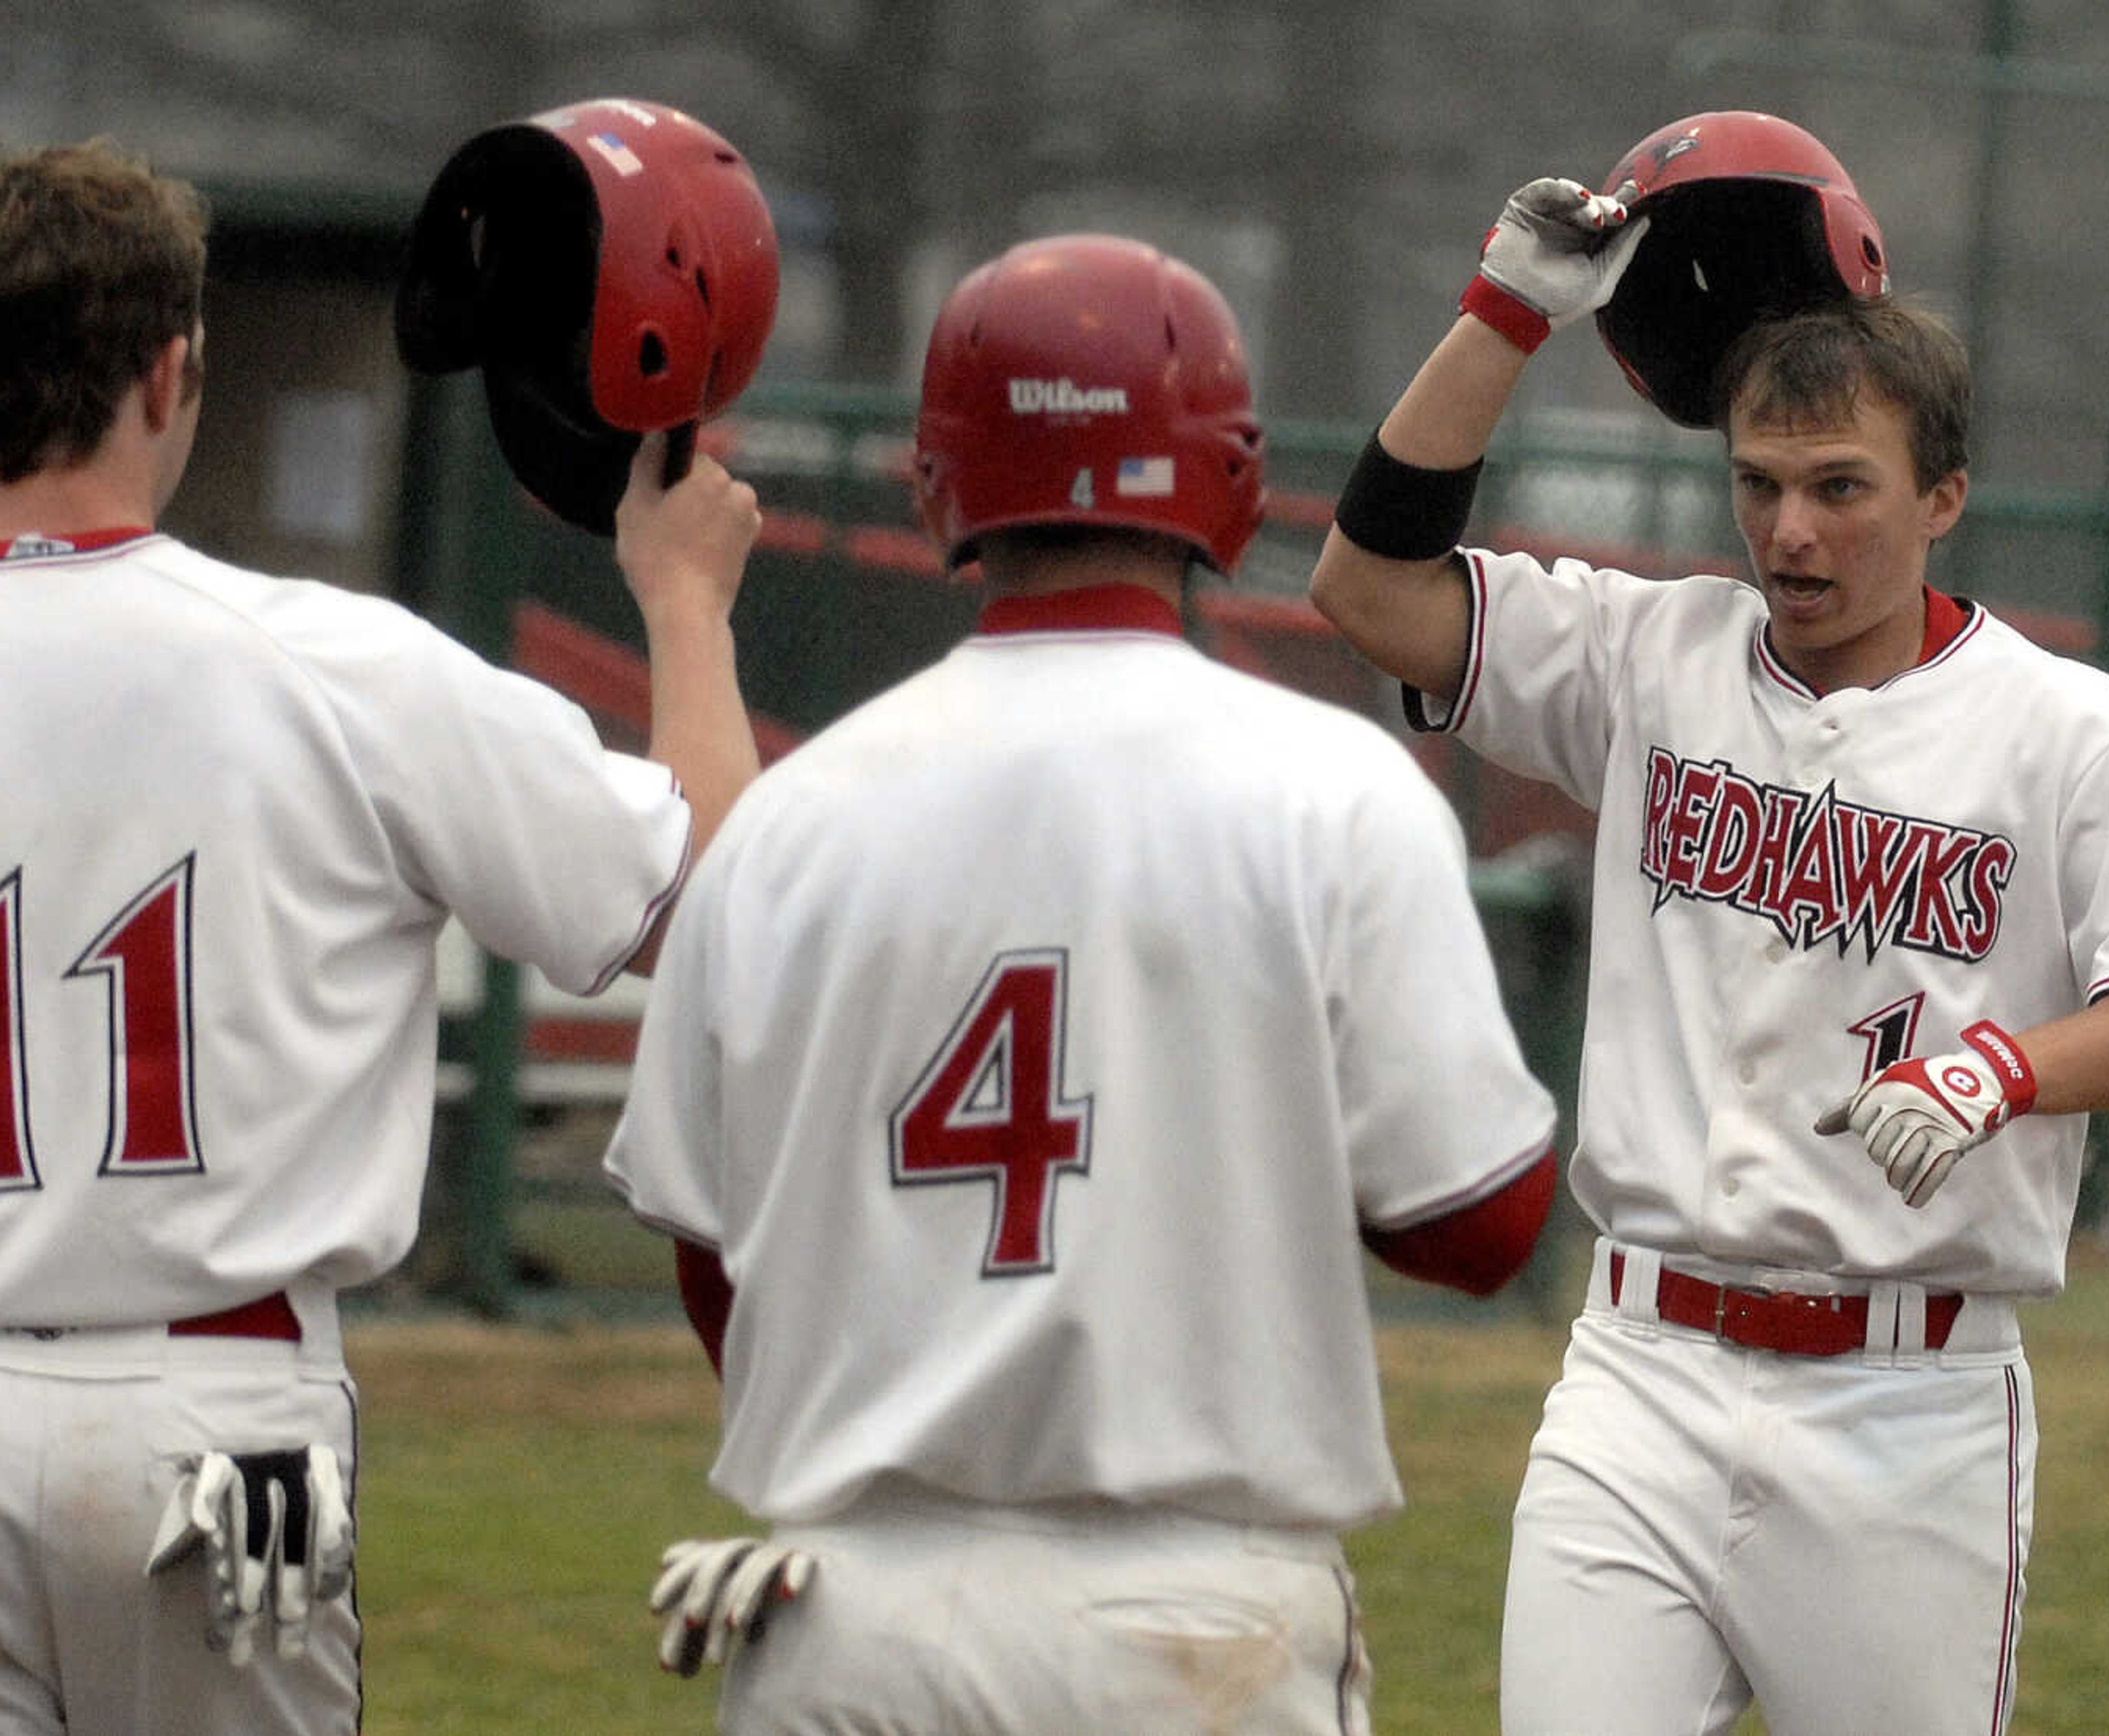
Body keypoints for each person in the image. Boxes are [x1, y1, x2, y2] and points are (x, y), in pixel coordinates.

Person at [1306, 163, 2109, 1735]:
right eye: (1759, 483)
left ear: (1943, 497)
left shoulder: (2061, 729)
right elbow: (1366, 586)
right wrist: (1503, 317)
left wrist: (2004, 1071)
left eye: (1841, 486)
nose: (1790, 526)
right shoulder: (1651, 654)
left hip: (1911, 1404)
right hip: (1639, 1373)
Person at [601, 232, 1561, 1734]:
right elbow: (1483, 1225)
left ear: (936, 490)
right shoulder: (1334, 789)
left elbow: (717, 1261)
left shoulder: (792, 817)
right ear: (1233, 484)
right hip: (1195, 1625)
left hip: (850, 1615)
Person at [0, 137, 764, 1736]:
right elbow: (720, 896)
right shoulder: (338, 667)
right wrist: (686, 601)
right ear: (173, 375)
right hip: (228, 1424)